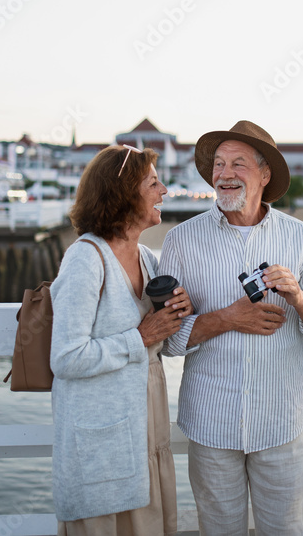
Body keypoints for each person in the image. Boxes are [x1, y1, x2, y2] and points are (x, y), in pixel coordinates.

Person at [160, 120, 303, 535]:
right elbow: (167, 338)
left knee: (287, 530)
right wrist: (227, 318)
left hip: (281, 421)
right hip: (211, 423)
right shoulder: (181, 241)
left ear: (265, 174)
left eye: (237, 164)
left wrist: (298, 297)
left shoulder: (300, 237)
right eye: (219, 164)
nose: (224, 174)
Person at [49, 144, 190, 535]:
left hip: (147, 423)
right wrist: (140, 336)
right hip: (102, 438)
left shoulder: (147, 258)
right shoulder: (86, 259)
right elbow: (66, 357)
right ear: (125, 193)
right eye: (153, 183)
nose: (164, 191)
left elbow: (164, 336)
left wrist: (181, 308)